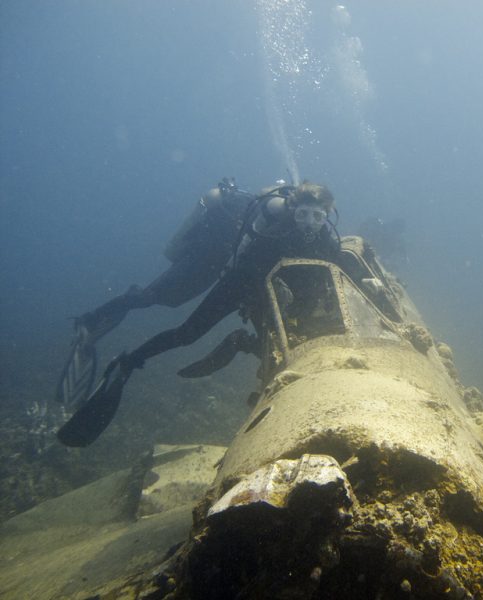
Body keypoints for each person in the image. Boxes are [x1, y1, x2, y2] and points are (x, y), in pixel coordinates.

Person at [57, 181, 341, 447]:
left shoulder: (326, 242)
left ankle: (238, 342)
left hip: (268, 296)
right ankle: (129, 362)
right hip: (238, 286)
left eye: (317, 216)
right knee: (187, 334)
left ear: (327, 216)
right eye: (303, 214)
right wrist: (255, 297)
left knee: (276, 343)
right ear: (292, 209)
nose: (309, 223)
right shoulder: (274, 230)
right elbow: (247, 263)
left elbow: (328, 277)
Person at [55, 178, 254, 407]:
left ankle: (123, 347)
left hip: (212, 264)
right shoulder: (257, 216)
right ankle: (91, 321)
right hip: (203, 259)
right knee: (151, 299)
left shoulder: (258, 215)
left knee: (168, 303)